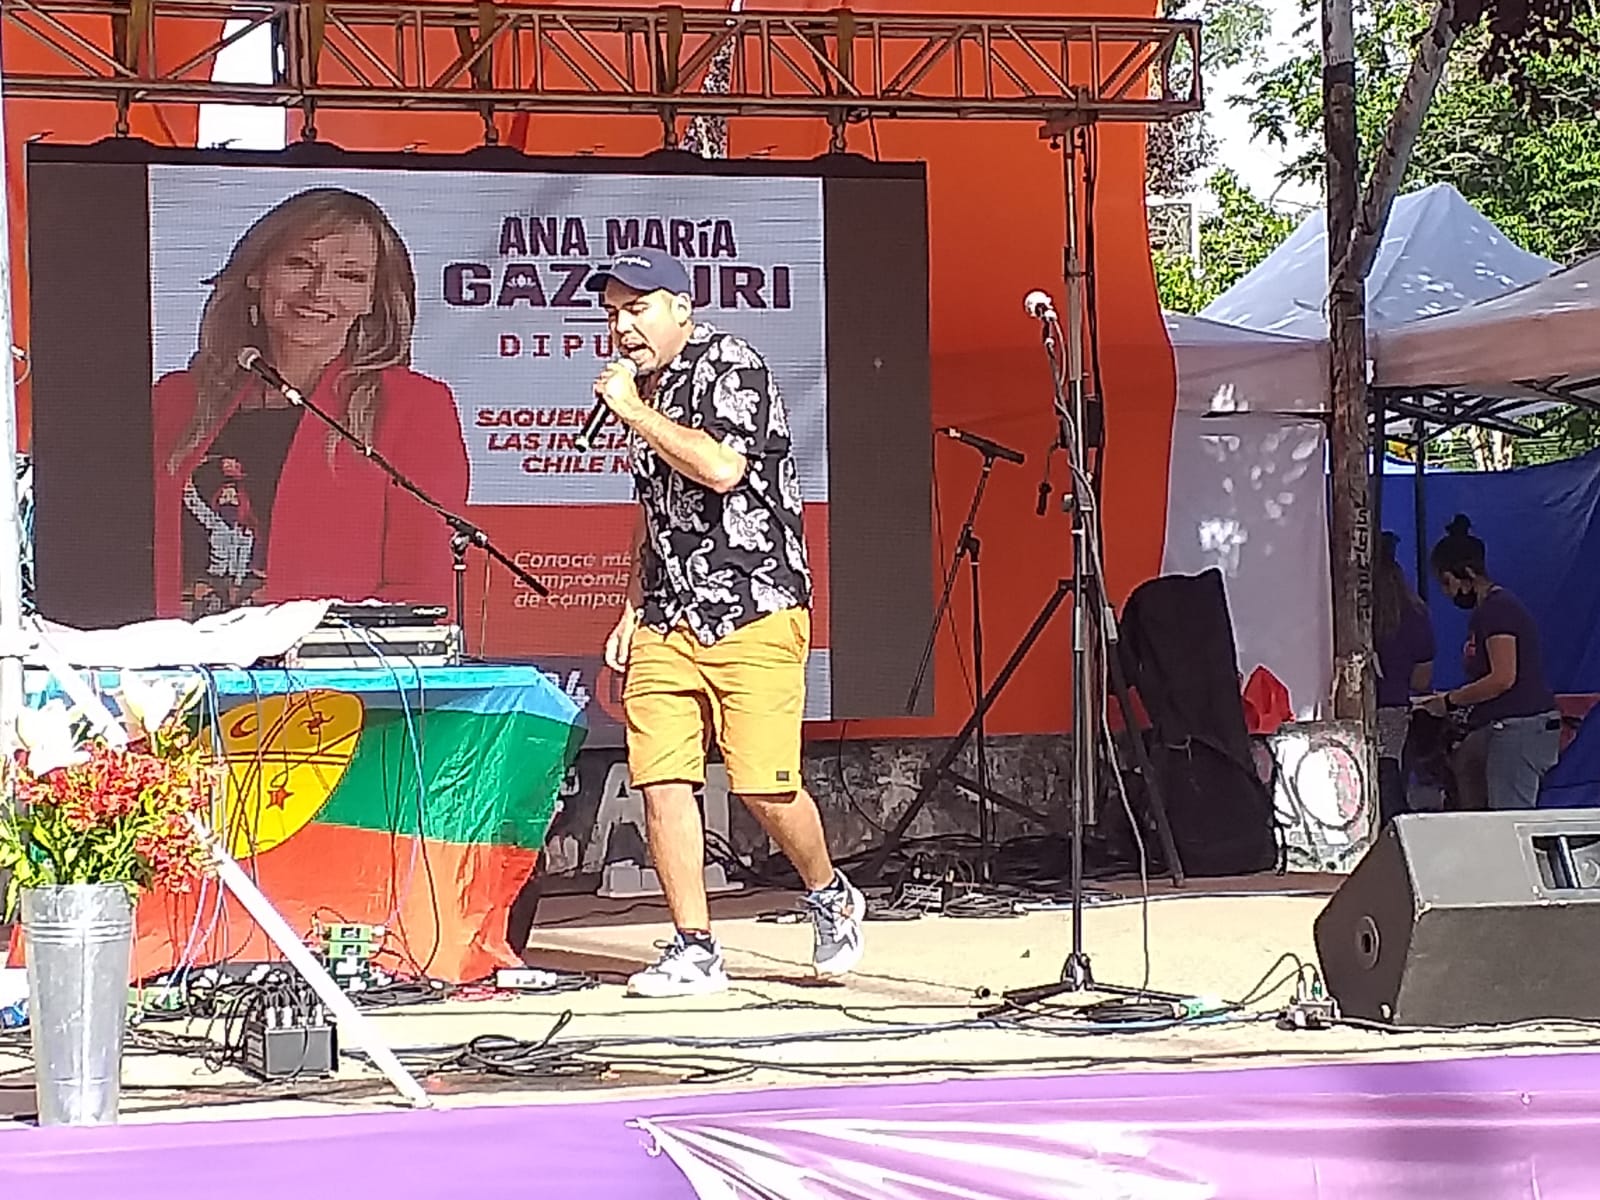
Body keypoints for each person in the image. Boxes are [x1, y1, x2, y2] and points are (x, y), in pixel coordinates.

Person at [589, 248, 864, 998]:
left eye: (638, 308)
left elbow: (720, 470)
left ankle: (829, 892)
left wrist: (635, 412)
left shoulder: (731, 365)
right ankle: (694, 947)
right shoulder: (645, 388)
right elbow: (654, 512)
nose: (622, 327)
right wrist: (630, 607)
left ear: (681, 308)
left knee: (763, 786)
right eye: (612, 313)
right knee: (661, 780)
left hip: (753, 606)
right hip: (668, 615)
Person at [153, 187, 468, 619]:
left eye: (350, 276)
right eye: (299, 264)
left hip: (330, 660)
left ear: (371, 300)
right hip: (172, 655)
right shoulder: (174, 400)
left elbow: (421, 589)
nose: (319, 290)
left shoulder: (414, 407)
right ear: (256, 274)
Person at [1418, 514, 1560, 809]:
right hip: (1499, 726)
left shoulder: (1498, 610)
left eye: (1447, 582)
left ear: (1467, 574)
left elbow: (1502, 678)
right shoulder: (1486, 612)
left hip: (1520, 727)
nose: (1446, 592)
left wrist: (1450, 701)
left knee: (1509, 816)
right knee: (1467, 766)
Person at [1373, 531, 1435, 821]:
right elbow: (1421, 680)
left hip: (1344, 707)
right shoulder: (1415, 612)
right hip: (1394, 709)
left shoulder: (1339, 607)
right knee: (1391, 780)